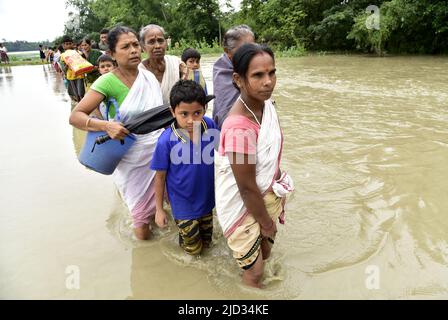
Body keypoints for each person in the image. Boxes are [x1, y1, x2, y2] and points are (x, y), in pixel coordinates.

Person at [69, 26, 165, 241]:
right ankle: (145, 261)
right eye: (125, 47)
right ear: (112, 54)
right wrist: (106, 126)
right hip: (131, 157)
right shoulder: (106, 81)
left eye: (135, 45)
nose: (133, 51)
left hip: (158, 153)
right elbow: (76, 116)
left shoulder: (148, 78)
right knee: (140, 221)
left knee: (164, 208)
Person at [215, 43, 294, 288]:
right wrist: (268, 224)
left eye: (272, 73)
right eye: (258, 75)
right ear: (238, 79)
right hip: (244, 200)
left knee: (265, 253)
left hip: (263, 194)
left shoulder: (266, 106)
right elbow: (247, 188)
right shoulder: (240, 126)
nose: (268, 81)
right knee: (255, 273)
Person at [151, 80, 217, 256]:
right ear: (173, 112)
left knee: (208, 242)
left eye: (197, 113)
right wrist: (159, 209)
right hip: (183, 204)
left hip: (207, 199)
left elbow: (221, 156)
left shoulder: (209, 125)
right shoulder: (166, 140)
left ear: (204, 109)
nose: (191, 120)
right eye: (184, 114)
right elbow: (160, 176)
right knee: (193, 250)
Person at [212, 25, 255, 129]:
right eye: (244, 49)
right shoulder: (222, 71)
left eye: (253, 47)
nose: (250, 53)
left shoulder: (254, 66)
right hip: (232, 131)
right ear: (227, 51)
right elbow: (224, 111)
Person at [139, 24, 186, 104]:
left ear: (166, 43)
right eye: (151, 42)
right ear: (143, 47)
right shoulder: (139, 71)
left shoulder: (177, 64)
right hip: (150, 115)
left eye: (160, 41)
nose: (157, 46)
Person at [59, 35, 86, 103]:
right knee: (75, 94)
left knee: (81, 93)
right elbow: (64, 69)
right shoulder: (63, 56)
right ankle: (78, 105)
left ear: (73, 44)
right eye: (66, 44)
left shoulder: (78, 53)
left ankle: (83, 105)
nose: (68, 46)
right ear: (63, 45)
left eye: (70, 43)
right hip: (70, 76)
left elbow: (84, 62)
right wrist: (67, 64)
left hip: (79, 75)